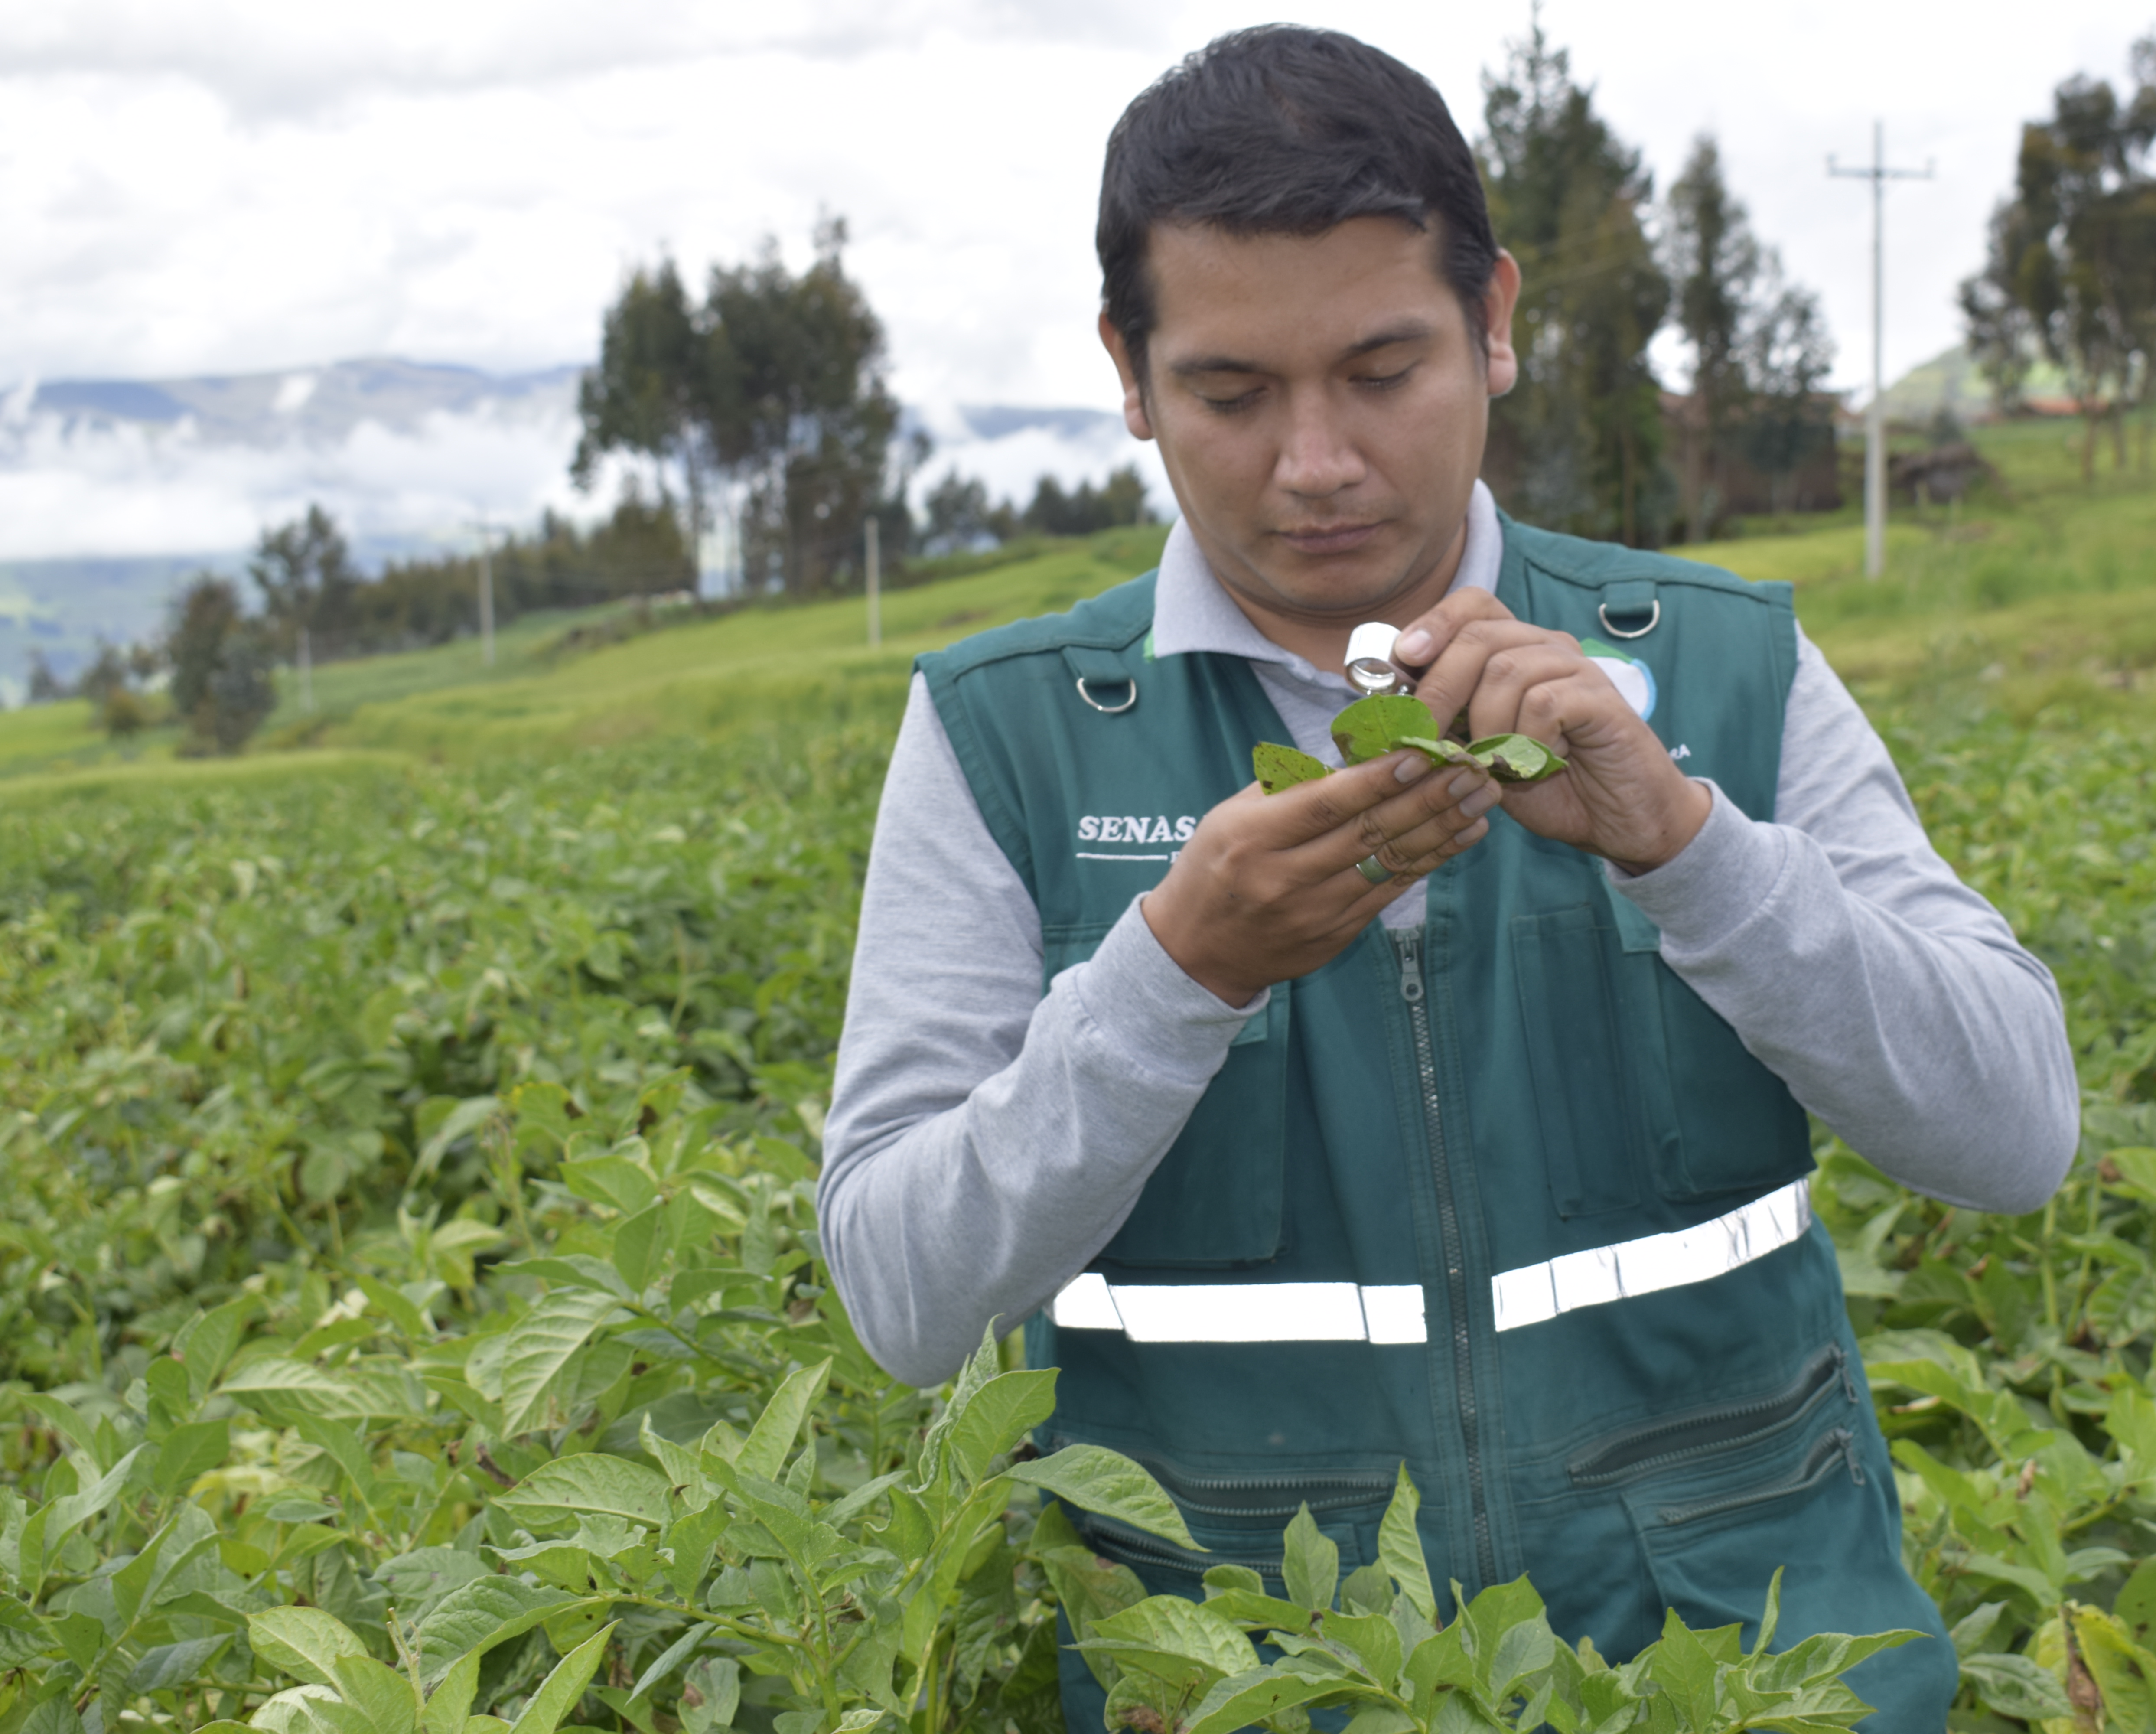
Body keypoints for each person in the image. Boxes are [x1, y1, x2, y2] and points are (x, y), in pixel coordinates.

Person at [819, 26, 2076, 1733]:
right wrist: (1175, 975)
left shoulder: (1718, 664)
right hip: (1269, 1677)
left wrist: (1690, 852)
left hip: (1739, 1665)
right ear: (1131, 372)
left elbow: (2014, 1134)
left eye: (1382, 369)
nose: (1316, 462)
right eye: (1231, 394)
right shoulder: (1015, 734)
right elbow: (903, 1296)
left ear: (1493, 323)